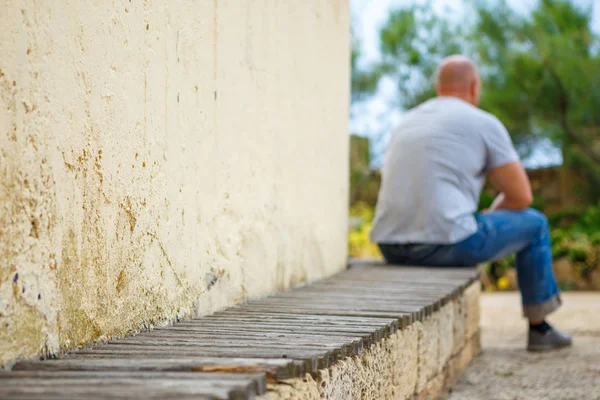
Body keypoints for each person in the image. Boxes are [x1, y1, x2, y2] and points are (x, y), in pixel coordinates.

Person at [370, 55, 572, 352]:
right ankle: (540, 328)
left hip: (390, 245)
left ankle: (541, 328)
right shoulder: (482, 122)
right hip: (444, 244)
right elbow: (521, 197)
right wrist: (490, 215)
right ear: (474, 87)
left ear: (439, 87)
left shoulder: (405, 122)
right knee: (535, 223)